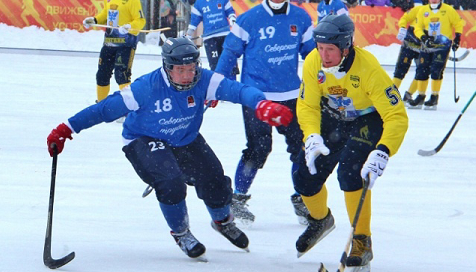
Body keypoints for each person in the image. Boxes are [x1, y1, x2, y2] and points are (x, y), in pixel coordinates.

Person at [45, 38, 294, 259]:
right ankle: (181, 232)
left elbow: (239, 90)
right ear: (167, 67)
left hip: (184, 138)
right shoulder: (146, 87)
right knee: (171, 182)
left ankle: (222, 221)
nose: (188, 75)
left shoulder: (204, 80)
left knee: (215, 179)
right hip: (142, 139)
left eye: (191, 68)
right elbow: (103, 110)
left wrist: (262, 105)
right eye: (181, 70)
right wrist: (66, 129)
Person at [294, 15, 408, 272]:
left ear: (346, 47)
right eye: (320, 48)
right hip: (331, 118)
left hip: (366, 120)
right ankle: (320, 220)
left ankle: (361, 240)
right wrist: (311, 135)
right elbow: (308, 104)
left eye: (330, 49)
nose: (324, 55)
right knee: (304, 176)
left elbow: (396, 116)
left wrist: (383, 150)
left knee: (350, 173)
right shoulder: (314, 62)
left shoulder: (369, 69)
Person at [215, 0, 315, 235]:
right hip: (256, 96)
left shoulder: (301, 18)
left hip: (291, 96)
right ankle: (238, 199)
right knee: (259, 149)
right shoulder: (249, 19)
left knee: (301, 147)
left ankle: (302, 197)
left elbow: (313, 55)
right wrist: (215, 86)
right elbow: (229, 54)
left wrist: (326, 79)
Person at [393, 0, 464, 110]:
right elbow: (415, 25)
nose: (434, 0)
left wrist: (457, 36)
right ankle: (416, 95)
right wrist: (415, 34)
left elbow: (458, 22)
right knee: (419, 70)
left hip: (438, 45)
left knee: (435, 71)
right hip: (420, 44)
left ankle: (429, 96)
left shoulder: (448, 10)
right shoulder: (421, 10)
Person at [82, 0, 147, 101]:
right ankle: (101, 104)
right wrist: (94, 20)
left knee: (122, 75)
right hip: (109, 42)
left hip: (126, 44)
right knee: (102, 74)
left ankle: (126, 107)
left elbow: (140, 20)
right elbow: (105, 14)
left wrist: (129, 26)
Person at [186, 0, 236, 69]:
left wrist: (232, 18)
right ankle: (217, 82)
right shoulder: (199, 3)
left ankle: (231, 82)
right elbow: (194, 20)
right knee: (215, 65)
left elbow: (230, 11)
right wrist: (189, 33)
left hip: (224, 35)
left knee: (229, 63)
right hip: (210, 38)